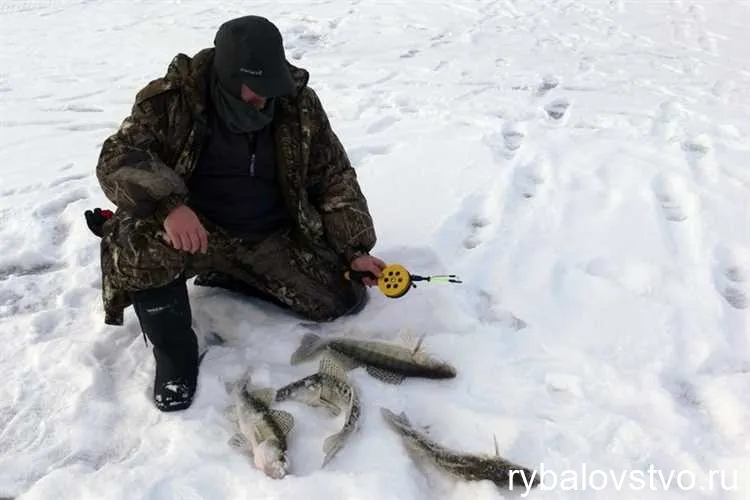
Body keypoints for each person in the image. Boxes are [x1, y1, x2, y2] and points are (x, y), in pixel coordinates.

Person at [89, 15, 386, 412]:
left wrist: (354, 249)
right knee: (137, 249)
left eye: (270, 88)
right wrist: (168, 206)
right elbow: (118, 158)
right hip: (194, 230)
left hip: (267, 234)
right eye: (254, 89)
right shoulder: (174, 99)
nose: (263, 99)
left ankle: (232, 272)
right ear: (228, 76)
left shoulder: (297, 103)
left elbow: (332, 176)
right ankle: (175, 354)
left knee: (339, 298)